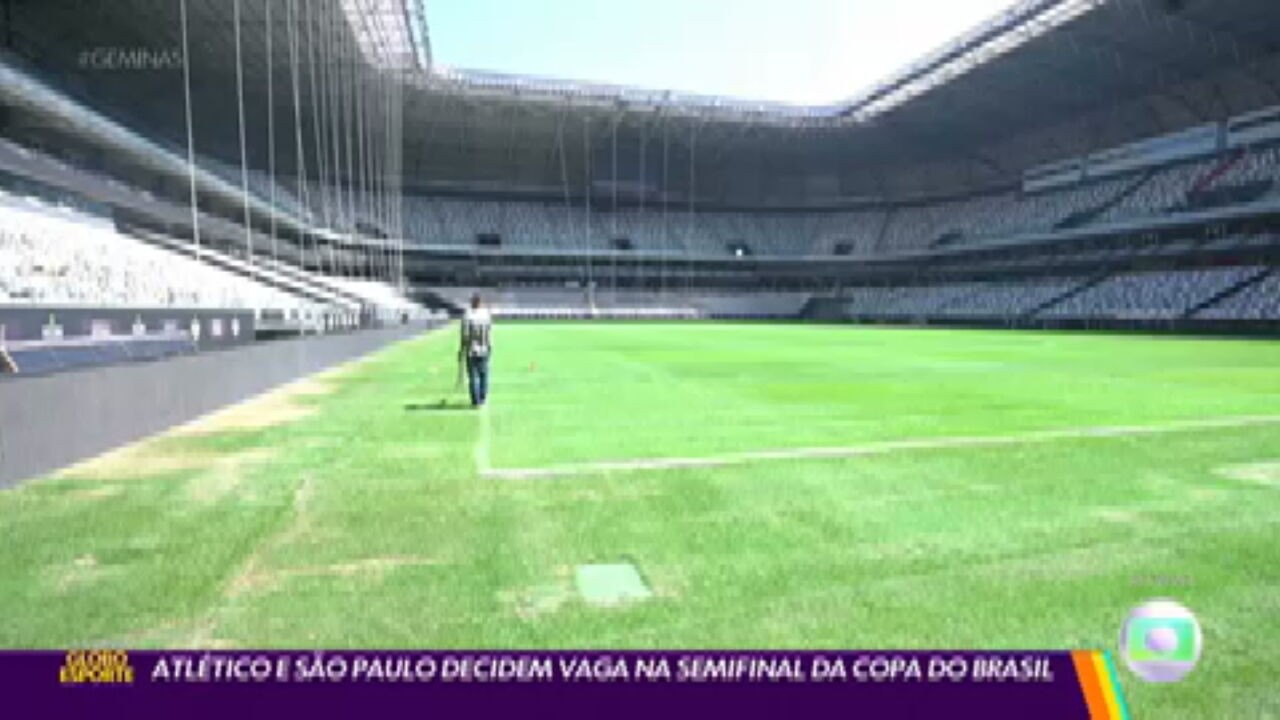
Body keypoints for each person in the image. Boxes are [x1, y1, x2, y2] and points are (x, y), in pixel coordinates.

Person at [459, 293, 493, 407]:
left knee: (473, 376)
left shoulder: (467, 315)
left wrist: (461, 350)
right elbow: (489, 333)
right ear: (480, 302)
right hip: (484, 349)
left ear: (472, 302)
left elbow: (465, 335)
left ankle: (476, 400)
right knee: (484, 375)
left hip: (471, 350)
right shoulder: (486, 315)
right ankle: (482, 398)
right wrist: (490, 347)